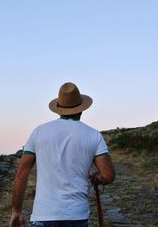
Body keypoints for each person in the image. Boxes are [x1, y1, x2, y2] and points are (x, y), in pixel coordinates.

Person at [9, 82, 115, 227]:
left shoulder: (39, 132)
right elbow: (108, 175)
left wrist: (16, 211)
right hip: (77, 215)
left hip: (43, 214)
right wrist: (96, 177)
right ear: (82, 109)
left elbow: (21, 173)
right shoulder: (94, 135)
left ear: (59, 109)